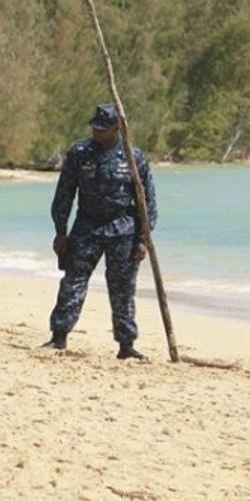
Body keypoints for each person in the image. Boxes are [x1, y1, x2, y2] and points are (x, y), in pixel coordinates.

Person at [47, 103, 157, 360]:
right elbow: (64, 194)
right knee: (72, 282)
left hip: (123, 230)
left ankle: (126, 344)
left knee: (123, 289)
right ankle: (59, 336)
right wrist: (60, 231)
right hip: (87, 226)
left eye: (103, 129)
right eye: (95, 127)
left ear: (117, 127)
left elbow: (147, 201)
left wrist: (143, 239)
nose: (98, 132)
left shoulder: (133, 156)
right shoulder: (79, 153)